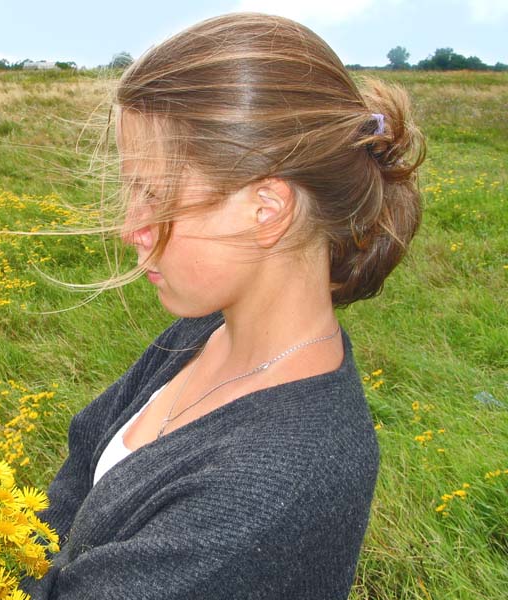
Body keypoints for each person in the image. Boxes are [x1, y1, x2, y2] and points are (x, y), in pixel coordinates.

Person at [23, 12, 424, 600]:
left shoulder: (267, 492)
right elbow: (81, 469)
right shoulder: (207, 330)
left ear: (266, 209)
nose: (131, 227)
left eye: (155, 194)